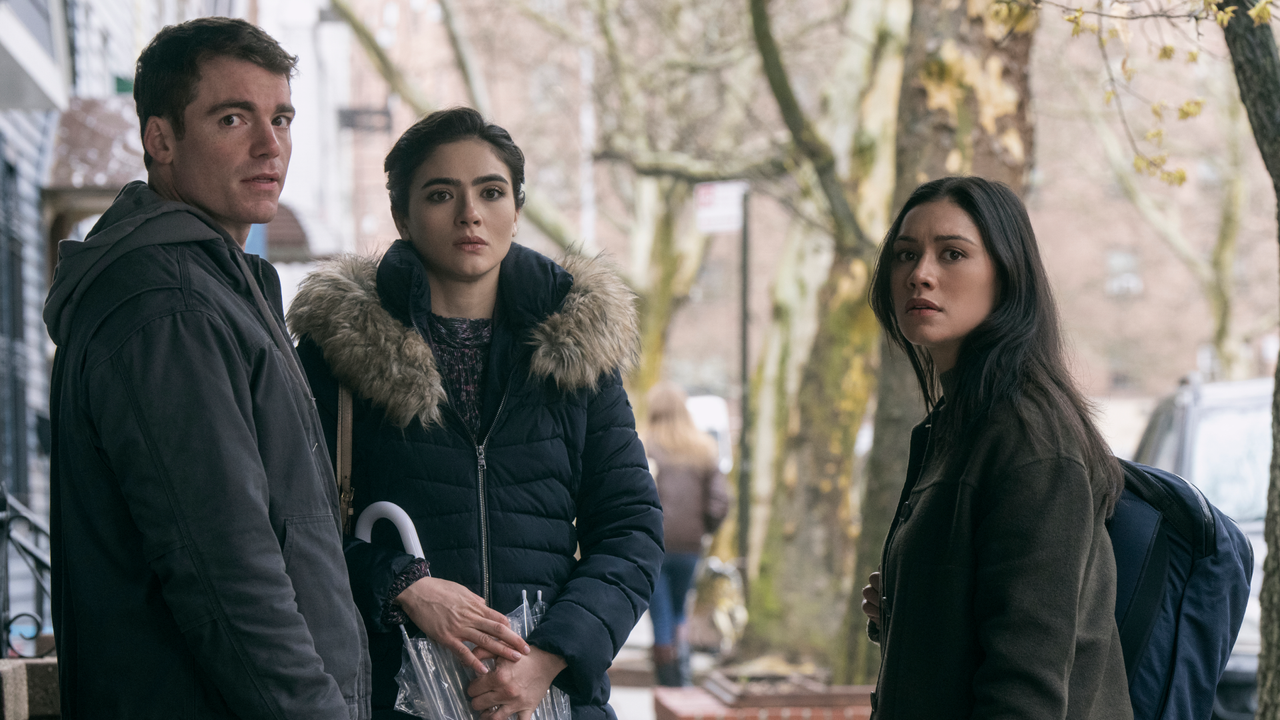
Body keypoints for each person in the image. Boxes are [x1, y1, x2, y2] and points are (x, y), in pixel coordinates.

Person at [287, 106, 663, 720]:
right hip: (393, 700)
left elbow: (631, 531)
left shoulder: (578, 357)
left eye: (491, 192)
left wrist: (547, 659)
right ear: (403, 216)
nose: (470, 214)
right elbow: (293, 527)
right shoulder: (339, 356)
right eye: (441, 194)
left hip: (551, 702)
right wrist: (404, 586)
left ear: (515, 209)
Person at [42, 18, 370, 719]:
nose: (269, 144)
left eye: (280, 118)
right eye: (232, 117)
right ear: (160, 139)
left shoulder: (217, 290)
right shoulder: (171, 309)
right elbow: (227, 569)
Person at [859, 176, 1131, 719]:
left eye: (953, 254)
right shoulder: (960, 426)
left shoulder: (1031, 440)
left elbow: (1025, 687)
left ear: (1008, 275)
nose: (921, 275)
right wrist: (905, 607)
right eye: (905, 255)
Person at [642, 381, 728, 686]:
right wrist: (705, 529)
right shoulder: (703, 447)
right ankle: (683, 671)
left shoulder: (644, 445)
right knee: (680, 609)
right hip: (690, 546)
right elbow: (719, 501)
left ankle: (668, 679)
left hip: (654, 544)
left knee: (661, 611)